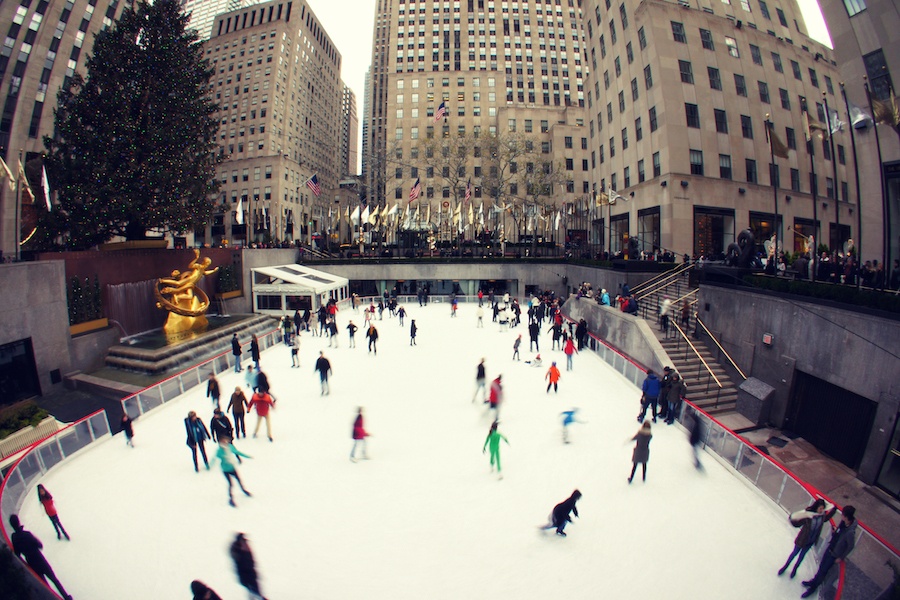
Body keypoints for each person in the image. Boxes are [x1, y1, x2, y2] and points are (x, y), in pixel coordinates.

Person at [9, 514, 73, 600]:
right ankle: (66, 597)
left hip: (31, 563)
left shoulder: (14, 537)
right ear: (18, 522)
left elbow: (17, 553)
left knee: (45, 585)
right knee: (54, 579)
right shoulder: (27, 534)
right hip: (40, 559)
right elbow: (39, 545)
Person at [801, 506, 858, 597]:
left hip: (834, 554)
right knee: (821, 567)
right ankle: (813, 581)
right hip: (830, 548)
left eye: (843, 515)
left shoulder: (850, 532)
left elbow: (850, 546)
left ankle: (813, 587)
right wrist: (835, 533)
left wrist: (841, 557)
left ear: (846, 517)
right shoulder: (843, 524)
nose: (841, 517)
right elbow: (839, 535)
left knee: (823, 571)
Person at [779, 499, 837, 579]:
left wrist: (834, 510)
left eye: (822, 509)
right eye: (820, 508)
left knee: (801, 556)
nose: (821, 510)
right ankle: (785, 566)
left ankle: (795, 569)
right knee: (794, 554)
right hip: (802, 540)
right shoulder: (808, 516)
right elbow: (798, 523)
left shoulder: (822, 516)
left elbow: (826, 518)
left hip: (810, 541)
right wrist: (793, 519)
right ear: (816, 507)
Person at [216, 435, 252, 507]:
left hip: (232, 468)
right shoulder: (220, 450)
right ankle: (231, 498)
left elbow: (237, 452)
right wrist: (209, 465)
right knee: (231, 484)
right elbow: (215, 458)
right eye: (223, 441)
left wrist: (247, 456)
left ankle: (243, 490)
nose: (225, 442)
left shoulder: (230, 447)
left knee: (238, 479)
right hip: (225, 469)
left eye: (226, 440)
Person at [230, 533, 266, 600]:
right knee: (252, 589)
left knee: (255, 590)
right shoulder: (236, 547)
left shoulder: (245, 547)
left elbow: (251, 559)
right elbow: (236, 557)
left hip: (250, 571)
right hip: (244, 572)